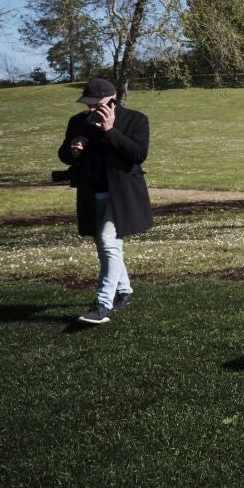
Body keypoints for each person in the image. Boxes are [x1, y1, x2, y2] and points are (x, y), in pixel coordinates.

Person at [57, 78, 153, 325]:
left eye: (95, 103)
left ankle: (102, 304)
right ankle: (124, 291)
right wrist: (73, 150)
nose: (90, 109)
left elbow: (137, 154)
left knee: (108, 241)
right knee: (105, 246)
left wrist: (110, 130)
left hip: (123, 194)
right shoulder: (77, 122)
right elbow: (64, 155)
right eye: (87, 104)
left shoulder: (136, 119)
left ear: (112, 99)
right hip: (92, 192)